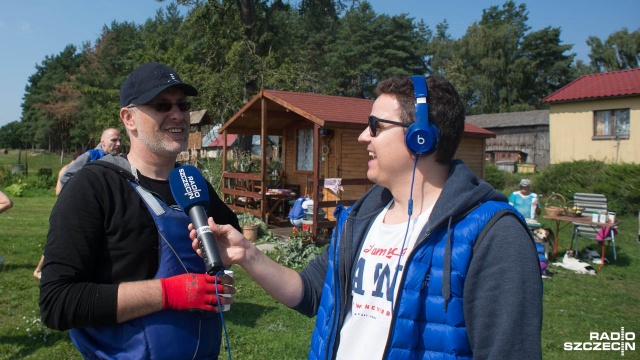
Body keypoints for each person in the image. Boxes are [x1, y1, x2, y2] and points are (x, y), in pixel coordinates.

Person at [191, 75, 543, 358]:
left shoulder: (494, 236)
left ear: (422, 138)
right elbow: (312, 292)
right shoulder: (362, 218)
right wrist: (247, 254)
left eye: (375, 126)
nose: (363, 137)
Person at [40, 62, 240, 359]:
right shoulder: (94, 187)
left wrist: (221, 279)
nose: (178, 115)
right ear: (128, 118)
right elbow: (57, 303)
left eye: (183, 105)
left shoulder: (194, 184)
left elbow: (228, 255)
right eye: (162, 105)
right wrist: (170, 293)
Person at [58, 128, 122, 188]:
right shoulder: (91, 156)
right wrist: (86, 190)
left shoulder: (119, 161)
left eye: (120, 140)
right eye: (114, 140)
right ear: (103, 142)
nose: (118, 144)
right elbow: (65, 177)